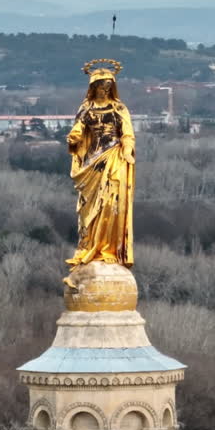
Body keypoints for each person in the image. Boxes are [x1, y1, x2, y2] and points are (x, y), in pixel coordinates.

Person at [64, 59, 135, 287]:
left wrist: (127, 149)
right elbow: (78, 130)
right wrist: (74, 138)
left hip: (113, 159)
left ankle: (108, 248)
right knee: (89, 208)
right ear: (93, 88)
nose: (104, 90)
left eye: (107, 87)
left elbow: (127, 133)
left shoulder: (119, 109)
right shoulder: (86, 110)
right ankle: (89, 247)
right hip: (92, 163)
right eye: (100, 86)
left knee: (111, 204)